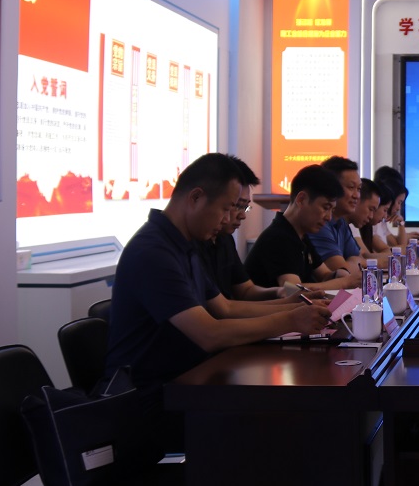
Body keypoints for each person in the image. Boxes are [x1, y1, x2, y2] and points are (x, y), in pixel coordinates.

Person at [105, 152, 332, 393]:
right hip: (146, 393)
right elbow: (209, 334)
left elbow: (226, 307)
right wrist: (291, 319)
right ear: (196, 197)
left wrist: (293, 306)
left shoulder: (185, 244)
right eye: (226, 208)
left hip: (187, 378)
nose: (227, 219)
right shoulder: (153, 252)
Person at [194, 155, 311, 302]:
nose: (242, 215)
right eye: (236, 206)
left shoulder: (225, 239)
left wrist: (278, 292)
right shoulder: (192, 244)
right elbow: (223, 310)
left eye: (245, 207)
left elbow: (245, 290)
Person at [244, 164, 355, 290]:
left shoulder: (301, 236)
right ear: (301, 199)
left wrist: (339, 274)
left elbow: (324, 275)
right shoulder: (278, 238)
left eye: (332, 210)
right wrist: (344, 283)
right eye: (325, 207)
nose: (329, 217)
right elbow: (293, 289)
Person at [307, 156, 365, 285]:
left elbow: (359, 260)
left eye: (359, 189)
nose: (356, 195)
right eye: (351, 187)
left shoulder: (341, 221)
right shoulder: (319, 224)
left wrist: (351, 265)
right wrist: (351, 265)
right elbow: (342, 272)